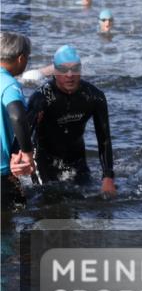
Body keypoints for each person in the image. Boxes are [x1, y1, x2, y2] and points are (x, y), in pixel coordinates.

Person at [26, 45, 115, 195]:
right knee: (47, 198)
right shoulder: (41, 98)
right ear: (54, 71)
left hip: (76, 156)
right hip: (43, 157)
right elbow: (24, 132)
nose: (69, 75)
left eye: (75, 69)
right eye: (63, 69)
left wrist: (108, 177)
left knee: (84, 199)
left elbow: (104, 138)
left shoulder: (94, 96)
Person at [1, 33, 36, 211]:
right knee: (10, 225)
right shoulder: (9, 84)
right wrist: (28, 154)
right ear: (21, 58)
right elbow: (17, 116)